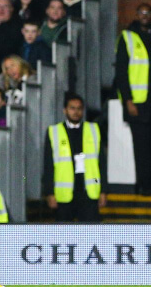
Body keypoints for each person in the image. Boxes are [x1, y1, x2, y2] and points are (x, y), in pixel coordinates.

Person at [116, 3, 151, 196]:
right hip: (137, 102)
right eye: (142, 13)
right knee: (141, 147)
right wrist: (128, 100)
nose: (145, 16)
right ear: (137, 15)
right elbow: (121, 72)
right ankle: (143, 185)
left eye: (148, 12)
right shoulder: (127, 37)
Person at [42, 93, 107, 222]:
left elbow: (102, 163)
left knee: (91, 234)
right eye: (72, 108)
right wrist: (49, 192)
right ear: (64, 110)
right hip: (64, 195)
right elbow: (48, 165)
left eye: (79, 108)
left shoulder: (93, 130)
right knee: (63, 237)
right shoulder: (54, 131)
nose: (76, 112)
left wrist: (103, 190)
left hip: (89, 191)